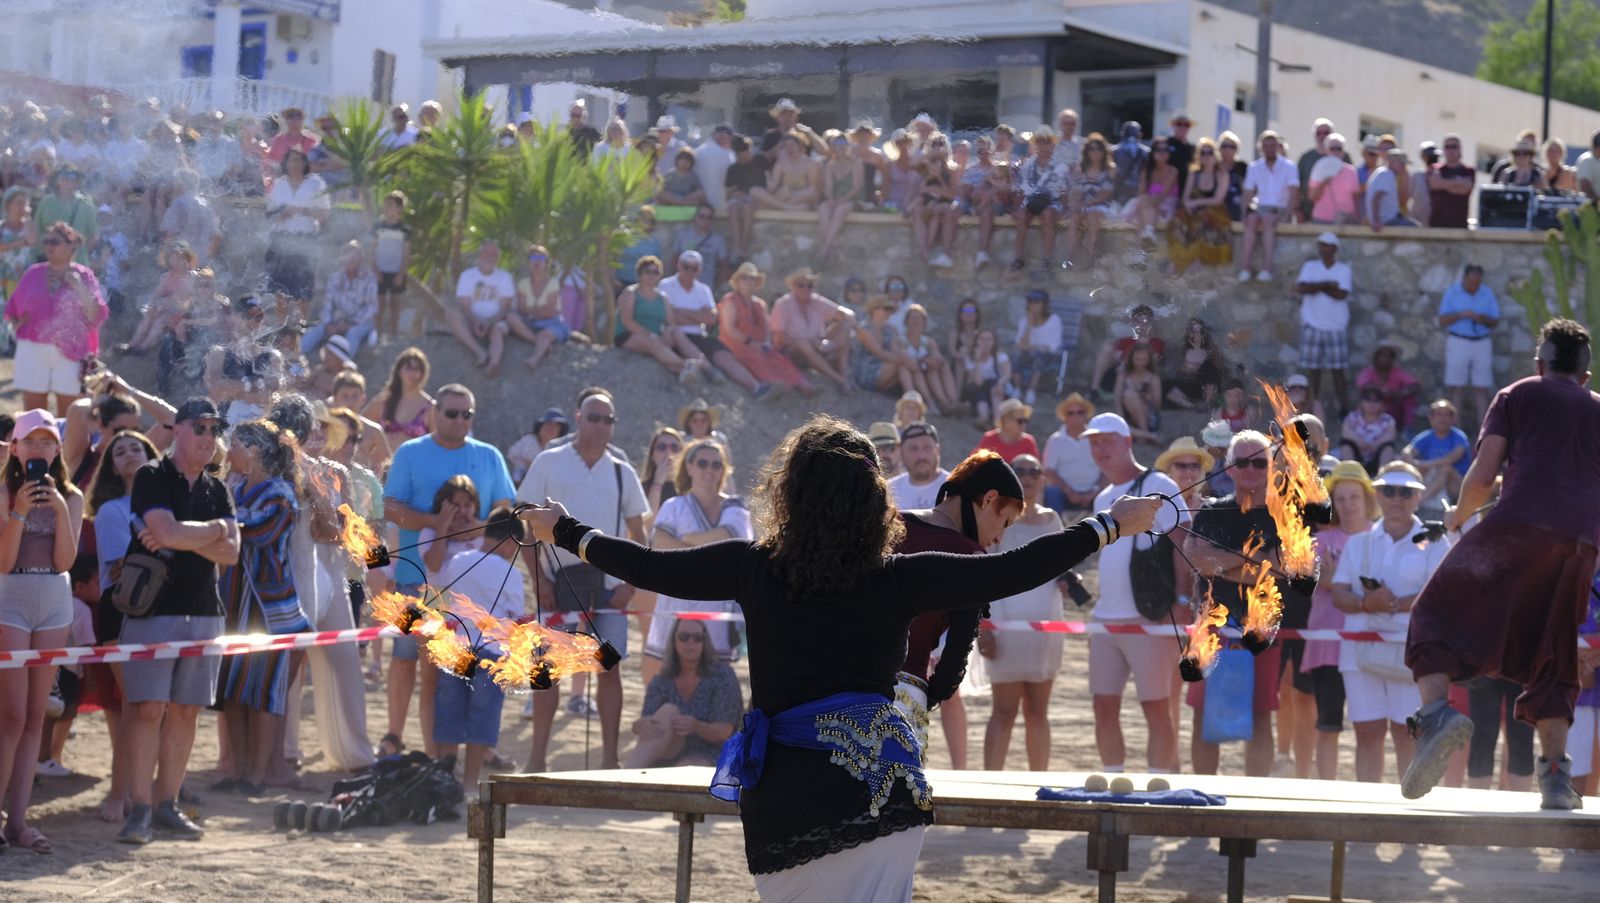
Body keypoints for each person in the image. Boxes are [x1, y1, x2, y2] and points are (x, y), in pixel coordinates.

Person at [520, 416, 1160, 897]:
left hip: (785, 800)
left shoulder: (753, 566)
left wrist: (564, 530)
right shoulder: (898, 576)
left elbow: (645, 565)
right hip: (879, 791)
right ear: (872, 501)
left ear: (790, 495)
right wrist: (1109, 525)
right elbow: (1018, 567)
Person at [1403, 319, 1600, 809]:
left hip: (1515, 528)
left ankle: (1435, 717)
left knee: (1431, 616)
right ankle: (1555, 777)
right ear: (1586, 375)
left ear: (1540, 364)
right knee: (1555, 653)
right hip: (1581, 544)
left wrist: (1459, 518)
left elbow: (1482, 476)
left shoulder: (1517, 394)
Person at [116, 398, 237, 844]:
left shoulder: (217, 488)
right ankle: (139, 809)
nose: (208, 436)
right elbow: (173, 535)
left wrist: (183, 535)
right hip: (153, 610)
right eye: (200, 427)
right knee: (147, 710)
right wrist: (213, 533)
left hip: (205, 611)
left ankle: (166, 806)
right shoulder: (152, 474)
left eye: (214, 429)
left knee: (185, 712)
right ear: (178, 429)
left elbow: (233, 552)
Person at [381, 385, 515, 764]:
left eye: (466, 414)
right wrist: (439, 524)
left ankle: (471, 750)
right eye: (452, 413)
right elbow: (390, 507)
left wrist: (472, 527)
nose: (459, 421)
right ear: (434, 411)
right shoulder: (411, 451)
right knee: (410, 660)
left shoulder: (489, 456)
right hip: (417, 579)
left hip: (472, 591)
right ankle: (400, 737)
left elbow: (505, 509)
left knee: (468, 667)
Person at [517, 391, 648, 771]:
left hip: (608, 588)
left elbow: (639, 530)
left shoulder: (623, 471)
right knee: (547, 668)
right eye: (594, 418)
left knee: (609, 668)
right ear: (578, 418)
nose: (601, 426)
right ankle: (536, 759)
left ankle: (610, 760)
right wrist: (538, 578)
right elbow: (525, 527)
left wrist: (630, 583)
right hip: (558, 583)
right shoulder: (549, 461)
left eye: (608, 420)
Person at [1329, 463, 1449, 783]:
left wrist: (1391, 604)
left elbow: (1440, 594)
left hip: (1410, 651)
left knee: (1406, 734)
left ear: (1419, 496)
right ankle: (1367, 826)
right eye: (1389, 491)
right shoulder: (1358, 543)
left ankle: (1408, 824)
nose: (1397, 498)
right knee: (1367, 734)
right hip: (1360, 650)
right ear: (1378, 495)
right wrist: (1369, 603)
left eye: (1405, 492)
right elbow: (1338, 593)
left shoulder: (1436, 542)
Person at [0, 410, 86, 854]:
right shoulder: (3, 490)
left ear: (57, 450)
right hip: (10, 599)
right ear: (14, 448)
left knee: (36, 716)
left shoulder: (70, 497)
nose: (38, 449)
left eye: (46, 441)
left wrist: (57, 509)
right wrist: (17, 511)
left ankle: (18, 821)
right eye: (28, 441)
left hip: (54, 601)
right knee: (10, 717)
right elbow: (4, 562)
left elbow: (66, 562)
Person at [1084, 414, 1186, 773]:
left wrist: (1183, 601)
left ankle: (1159, 785)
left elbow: (1182, 544)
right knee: (1103, 705)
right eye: (1094, 443)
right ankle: (1114, 782)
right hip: (1106, 618)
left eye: (1106, 441)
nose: (1099, 449)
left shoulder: (1158, 483)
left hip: (1149, 616)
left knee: (1156, 707)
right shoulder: (1103, 497)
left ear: (1127, 442)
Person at [213, 419, 311, 794]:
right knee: (234, 690)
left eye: (236, 445)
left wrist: (213, 525)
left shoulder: (280, 494)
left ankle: (256, 776)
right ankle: (238, 772)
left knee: (265, 692)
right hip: (235, 604)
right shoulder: (235, 487)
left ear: (254, 451)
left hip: (271, 611)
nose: (229, 451)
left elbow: (256, 532)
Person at [1182, 431, 1285, 776]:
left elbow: (1280, 569)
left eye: (1260, 462)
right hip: (1210, 627)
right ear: (1229, 467)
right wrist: (1250, 561)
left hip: (1262, 628)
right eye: (1244, 462)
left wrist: (1223, 563)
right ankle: (1201, 801)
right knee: (1203, 717)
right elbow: (1197, 561)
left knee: (1260, 718)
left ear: (1271, 467)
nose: (1252, 469)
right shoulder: (1211, 511)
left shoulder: (1281, 516)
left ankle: (1255, 802)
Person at [640, 440, 749, 686]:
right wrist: (709, 552)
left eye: (716, 464)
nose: (709, 469)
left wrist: (687, 542)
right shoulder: (675, 506)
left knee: (715, 677)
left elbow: (734, 539)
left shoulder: (736, 507)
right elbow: (659, 543)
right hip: (678, 598)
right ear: (688, 467)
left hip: (718, 603)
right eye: (702, 463)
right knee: (672, 672)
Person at [432, 506, 526, 790]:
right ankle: (471, 782)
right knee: (481, 720)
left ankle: (446, 781)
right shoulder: (511, 573)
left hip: (457, 648)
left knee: (449, 714)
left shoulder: (459, 560)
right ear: (510, 541)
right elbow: (516, 620)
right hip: (492, 654)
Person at [979, 454, 1063, 771]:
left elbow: (1059, 568)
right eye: (1020, 471)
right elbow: (985, 573)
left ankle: (1037, 783)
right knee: (1003, 712)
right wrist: (985, 627)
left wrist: (1069, 582)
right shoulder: (998, 516)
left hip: (1046, 628)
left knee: (1038, 712)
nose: (1027, 477)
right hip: (1004, 629)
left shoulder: (1054, 519)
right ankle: (990, 787)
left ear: (1043, 478)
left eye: (1034, 471)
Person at [1300, 461, 1378, 780]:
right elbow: (1310, 581)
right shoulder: (1318, 541)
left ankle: (1369, 804)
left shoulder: (1381, 539)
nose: (1347, 505)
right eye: (1340, 498)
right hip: (1328, 644)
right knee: (1328, 725)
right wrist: (1343, 581)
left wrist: (1337, 577)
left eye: (1353, 497)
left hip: (1370, 645)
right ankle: (1325, 797)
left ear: (1367, 499)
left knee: (1369, 730)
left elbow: (1385, 586)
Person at [6, 221, 110, 415]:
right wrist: (16, 327)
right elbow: (13, 307)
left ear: (71, 246)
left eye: (54, 241)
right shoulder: (34, 272)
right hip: (33, 347)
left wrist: (79, 287)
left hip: (71, 350)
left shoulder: (84, 275)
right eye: (46, 241)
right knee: (34, 414)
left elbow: (95, 315)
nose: (48, 246)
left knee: (70, 413)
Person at [630, 617, 743, 768]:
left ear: (704, 642)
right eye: (684, 637)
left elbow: (725, 732)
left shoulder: (722, 676)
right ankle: (626, 778)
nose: (690, 642)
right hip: (668, 748)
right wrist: (639, 726)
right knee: (668, 712)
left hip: (711, 752)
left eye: (697, 638)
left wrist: (697, 726)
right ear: (674, 641)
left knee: (688, 766)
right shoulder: (662, 680)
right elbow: (647, 720)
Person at [661, 250, 774, 397]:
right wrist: (698, 315)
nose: (689, 271)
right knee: (681, 337)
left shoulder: (703, 289)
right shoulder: (666, 285)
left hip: (699, 334)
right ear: (678, 266)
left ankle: (756, 387)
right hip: (675, 334)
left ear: (699, 270)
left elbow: (711, 319)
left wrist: (679, 312)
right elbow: (666, 315)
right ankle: (709, 370)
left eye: (694, 268)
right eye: (686, 266)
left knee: (723, 354)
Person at [717, 262, 814, 395]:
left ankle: (801, 385)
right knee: (756, 358)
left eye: (752, 278)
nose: (748, 281)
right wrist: (751, 343)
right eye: (744, 278)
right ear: (738, 282)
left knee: (778, 358)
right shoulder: (730, 301)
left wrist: (766, 342)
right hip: (737, 345)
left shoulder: (759, 304)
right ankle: (774, 385)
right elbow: (730, 330)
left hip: (759, 344)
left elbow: (767, 328)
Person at [264, 148, 329, 313]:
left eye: (299, 160)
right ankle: (282, 329)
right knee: (280, 290)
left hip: (305, 240)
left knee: (303, 290)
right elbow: (270, 213)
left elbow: (324, 214)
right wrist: (282, 214)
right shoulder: (280, 184)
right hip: (282, 240)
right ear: (286, 163)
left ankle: (302, 328)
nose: (295, 164)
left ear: (305, 163)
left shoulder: (316, 183)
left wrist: (300, 210)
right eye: (292, 160)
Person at [1296, 232, 1354, 414]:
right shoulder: (1310, 266)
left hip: (1336, 326)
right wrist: (1328, 284)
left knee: (1338, 372)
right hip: (1312, 325)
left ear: (1335, 249)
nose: (1323, 249)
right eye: (1321, 245)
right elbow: (1302, 288)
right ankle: (1311, 410)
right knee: (1314, 372)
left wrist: (1317, 287)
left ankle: (1343, 410)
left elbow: (1342, 294)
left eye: (1327, 245)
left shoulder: (1343, 269)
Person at [771, 267, 853, 392]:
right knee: (802, 343)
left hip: (817, 343)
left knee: (846, 325)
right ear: (792, 286)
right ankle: (838, 378)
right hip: (793, 351)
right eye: (801, 285)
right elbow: (778, 338)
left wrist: (820, 342)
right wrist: (809, 341)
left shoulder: (816, 300)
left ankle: (844, 374)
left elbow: (846, 314)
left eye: (809, 286)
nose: (805, 289)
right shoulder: (782, 305)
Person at [1438, 263, 1500, 426]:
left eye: (1477, 283)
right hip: (1459, 341)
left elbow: (1494, 321)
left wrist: (1482, 318)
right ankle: (1454, 427)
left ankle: (1483, 428)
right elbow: (1442, 320)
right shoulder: (1452, 293)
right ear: (1464, 278)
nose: (1474, 286)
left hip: (1481, 342)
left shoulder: (1487, 293)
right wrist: (1461, 315)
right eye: (1471, 282)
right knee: (1456, 386)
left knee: (1482, 387)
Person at [1238, 131, 1300, 282]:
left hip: (1279, 210)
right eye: (1266, 145)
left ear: (1278, 147)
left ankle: (1267, 268)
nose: (1270, 148)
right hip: (1261, 209)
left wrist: (1286, 216)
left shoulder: (1289, 167)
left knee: (1266, 220)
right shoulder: (1254, 167)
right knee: (1251, 221)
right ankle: (1245, 268)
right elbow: (1248, 193)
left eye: (1273, 145)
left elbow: (1293, 194)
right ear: (1261, 148)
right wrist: (1244, 214)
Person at [447, 240, 515, 375]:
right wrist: (477, 320)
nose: (490, 257)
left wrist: (489, 322)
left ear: (498, 258)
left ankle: (494, 362)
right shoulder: (467, 275)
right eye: (487, 253)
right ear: (480, 255)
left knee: (498, 330)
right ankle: (480, 352)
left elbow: (505, 307)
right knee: (451, 316)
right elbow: (464, 305)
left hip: (496, 320)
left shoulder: (505, 277)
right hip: (472, 320)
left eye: (493, 254)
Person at [1167, 136, 1233, 272]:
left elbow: (1218, 199)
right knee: (1177, 222)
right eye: (1203, 152)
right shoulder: (1194, 173)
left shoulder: (1221, 174)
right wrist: (1189, 206)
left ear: (1215, 155)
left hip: (1214, 211)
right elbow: (1185, 197)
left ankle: (1197, 260)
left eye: (1210, 152)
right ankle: (1177, 259)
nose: (1207, 156)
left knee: (1201, 222)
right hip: (1193, 209)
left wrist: (1196, 203)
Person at [303, 239, 378, 357]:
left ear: (360, 258)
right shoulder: (334, 279)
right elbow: (327, 305)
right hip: (336, 321)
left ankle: (344, 363)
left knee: (353, 333)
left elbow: (371, 307)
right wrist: (328, 324)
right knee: (315, 331)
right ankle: (298, 357)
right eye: (347, 255)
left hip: (360, 322)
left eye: (354, 256)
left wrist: (350, 324)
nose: (350, 259)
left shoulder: (369, 278)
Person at [1010, 128, 1066, 274]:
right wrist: (1016, 208)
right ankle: (1018, 258)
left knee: (1047, 215)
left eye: (1047, 142)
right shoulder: (1028, 164)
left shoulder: (1060, 166)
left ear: (1052, 145)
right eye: (1040, 142)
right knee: (1022, 216)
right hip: (1031, 200)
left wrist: (1066, 209)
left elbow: (1064, 191)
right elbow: (1021, 188)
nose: (1043, 145)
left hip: (1052, 201)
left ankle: (1047, 258)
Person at [509, 245, 572, 372]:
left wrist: (531, 311)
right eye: (533, 257)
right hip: (529, 321)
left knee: (546, 334)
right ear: (529, 262)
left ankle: (534, 359)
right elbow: (521, 307)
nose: (537, 261)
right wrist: (538, 310)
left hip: (550, 322)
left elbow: (549, 311)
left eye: (541, 258)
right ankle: (537, 342)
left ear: (546, 263)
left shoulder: (553, 283)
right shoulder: (524, 283)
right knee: (511, 317)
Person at [1043, 393, 1103, 514]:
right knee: (1052, 492)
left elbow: (1107, 469)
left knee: (1113, 491)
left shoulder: (1098, 439)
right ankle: (1055, 530)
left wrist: (1094, 491)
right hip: (1064, 493)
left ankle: (1112, 531)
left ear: (1086, 415)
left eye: (1080, 412)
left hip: (1095, 492)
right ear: (1065, 417)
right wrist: (1069, 492)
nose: (1075, 416)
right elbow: (1049, 472)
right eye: (1071, 413)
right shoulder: (1055, 440)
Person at [1404, 400, 1471, 508]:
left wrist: (1423, 464)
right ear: (1431, 418)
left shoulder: (1459, 437)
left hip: (1457, 484)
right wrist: (1410, 459)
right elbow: (1408, 451)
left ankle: (1419, 502)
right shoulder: (1426, 436)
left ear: (1453, 418)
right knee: (1414, 467)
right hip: (1432, 477)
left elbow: (1452, 458)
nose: (1442, 418)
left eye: (1446, 415)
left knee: (1446, 468)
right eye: (1438, 414)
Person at [364, 346, 434, 449]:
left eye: (417, 369)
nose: (413, 373)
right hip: (382, 464)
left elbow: (437, 443)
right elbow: (360, 424)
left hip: (415, 464)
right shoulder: (384, 400)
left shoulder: (430, 407)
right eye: (409, 368)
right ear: (399, 371)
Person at [1063, 132, 1116, 266]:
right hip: (1084, 204)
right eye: (1092, 149)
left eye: (1099, 148)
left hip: (1102, 204)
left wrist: (1087, 204)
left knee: (1093, 216)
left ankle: (1090, 256)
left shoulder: (1110, 169)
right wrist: (1077, 204)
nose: (1095, 152)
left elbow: (1106, 193)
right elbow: (1074, 191)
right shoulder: (1081, 169)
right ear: (1087, 151)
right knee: (1074, 218)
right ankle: (1070, 256)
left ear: (1104, 151)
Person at [34, 166, 98, 265]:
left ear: (77, 182)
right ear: (56, 180)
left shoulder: (85, 204)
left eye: (70, 178)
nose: (66, 181)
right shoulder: (46, 202)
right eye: (62, 177)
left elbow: (93, 236)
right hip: (49, 261)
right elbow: (37, 231)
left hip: (77, 262)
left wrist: (78, 253)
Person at [1011, 289, 1063, 407]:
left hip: (1048, 356)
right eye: (1030, 301)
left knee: (1038, 355)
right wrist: (1029, 324)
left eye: (1036, 302)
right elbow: (1019, 344)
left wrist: (1033, 347)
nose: (1032, 305)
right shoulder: (1024, 321)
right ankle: (1017, 389)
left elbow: (1052, 347)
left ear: (1044, 304)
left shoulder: (1054, 320)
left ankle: (1031, 391)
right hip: (1027, 354)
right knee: (1017, 355)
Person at [1356, 342, 1422, 430]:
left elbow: (1415, 385)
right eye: (1382, 355)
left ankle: (1408, 429)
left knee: (1409, 399)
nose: (1386, 359)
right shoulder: (1368, 372)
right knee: (1369, 399)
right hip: (1375, 410)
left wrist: (1402, 393)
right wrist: (1381, 391)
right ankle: (1368, 427)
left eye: (1389, 356)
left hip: (1394, 409)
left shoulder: (1397, 372)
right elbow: (1363, 385)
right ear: (1376, 357)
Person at [1166, 317, 1228, 410]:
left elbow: (1218, 367)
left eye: (1199, 331)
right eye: (1194, 331)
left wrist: (1202, 364)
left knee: (1209, 367)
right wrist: (1189, 369)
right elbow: (1177, 368)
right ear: (1189, 333)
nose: (1197, 334)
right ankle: (1191, 404)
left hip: (1206, 383)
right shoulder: (1184, 350)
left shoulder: (1210, 349)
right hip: (1188, 382)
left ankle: (1208, 400)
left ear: (1204, 333)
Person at [888, 422, 948, 511]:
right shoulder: (889, 490)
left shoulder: (954, 487)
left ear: (938, 450)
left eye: (927, 448)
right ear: (901, 453)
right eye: (913, 449)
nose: (921, 456)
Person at [1339, 386, 1400, 475]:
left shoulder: (1388, 420)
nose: (1371, 403)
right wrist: (1359, 442)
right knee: (1346, 444)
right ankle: (1350, 473)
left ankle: (1382, 476)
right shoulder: (1352, 417)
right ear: (1362, 402)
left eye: (1376, 400)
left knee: (1388, 447)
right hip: (1357, 454)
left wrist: (1374, 444)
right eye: (1367, 399)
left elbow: (1390, 435)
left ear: (1382, 404)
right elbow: (1345, 432)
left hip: (1377, 456)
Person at [1130, 136, 1179, 246]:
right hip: (1149, 204)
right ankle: (1148, 233)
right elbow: (1141, 192)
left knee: (1143, 209)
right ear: (1153, 152)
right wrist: (1146, 199)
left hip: (1166, 204)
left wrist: (1148, 201)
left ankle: (1141, 249)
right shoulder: (1146, 170)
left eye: (1166, 150)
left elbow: (1163, 194)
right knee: (1142, 209)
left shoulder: (1172, 171)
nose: (1163, 153)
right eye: (1159, 150)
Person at [1306, 133, 1360, 225]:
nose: (1335, 152)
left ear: (1343, 152)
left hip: (1345, 221)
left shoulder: (1351, 171)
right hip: (1322, 219)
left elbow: (1356, 198)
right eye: (1332, 149)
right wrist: (1323, 183)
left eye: (1339, 149)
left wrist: (1356, 219)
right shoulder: (1320, 167)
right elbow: (1312, 197)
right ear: (1326, 151)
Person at [672, 204, 730, 290]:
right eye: (701, 216)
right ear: (695, 217)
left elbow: (724, 268)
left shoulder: (718, 240)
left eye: (708, 217)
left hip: (705, 286)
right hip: (682, 286)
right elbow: (674, 260)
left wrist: (714, 287)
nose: (704, 220)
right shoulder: (683, 235)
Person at [1113, 341, 1162, 443]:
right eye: (1137, 359)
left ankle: (1142, 432)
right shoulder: (1124, 373)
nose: (1140, 363)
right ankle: (1147, 435)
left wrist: (1149, 397)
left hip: (1149, 416)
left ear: (1149, 360)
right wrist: (1120, 415)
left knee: (1129, 395)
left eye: (1144, 360)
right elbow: (1117, 397)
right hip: (1127, 414)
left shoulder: (1153, 377)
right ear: (1131, 358)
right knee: (1128, 395)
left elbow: (1158, 405)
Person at [507, 407, 569, 485]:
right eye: (548, 425)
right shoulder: (529, 440)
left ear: (560, 431)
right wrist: (527, 464)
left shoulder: (562, 449)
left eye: (555, 427)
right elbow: (511, 454)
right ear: (540, 427)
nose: (550, 429)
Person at [1427, 135, 1476, 229]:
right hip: (1436, 226)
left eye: (1454, 146)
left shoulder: (1468, 171)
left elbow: (1465, 189)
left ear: (1460, 149)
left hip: (1459, 226)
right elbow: (1434, 184)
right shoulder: (1435, 168)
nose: (1451, 150)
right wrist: (1458, 181)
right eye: (1447, 147)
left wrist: (1443, 184)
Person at [1366, 148, 1417, 231]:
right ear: (1392, 162)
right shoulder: (1386, 174)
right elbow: (1376, 197)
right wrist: (1376, 221)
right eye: (1402, 164)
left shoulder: (1384, 173)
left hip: (1388, 220)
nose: (1404, 167)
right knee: (1415, 228)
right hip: (1387, 221)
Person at [977, 398, 1039, 463]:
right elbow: (974, 465)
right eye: (1020, 421)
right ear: (1006, 421)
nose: (1024, 424)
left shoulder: (1028, 442)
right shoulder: (989, 439)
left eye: (1025, 421)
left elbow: (1035, 470)